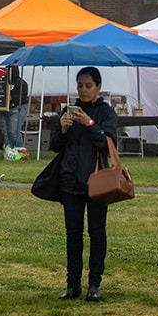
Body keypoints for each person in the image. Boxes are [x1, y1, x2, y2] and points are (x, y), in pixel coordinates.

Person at [51, 66, 121, 302]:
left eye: (88, 85)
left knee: (97, 232)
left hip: (97, 181)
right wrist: (62, 129)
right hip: (70, 179)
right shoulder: (68, 111)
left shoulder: (105, 112)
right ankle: (72, 285)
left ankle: (94, 284)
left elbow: (108, 143)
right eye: (80, 85)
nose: (83, 90)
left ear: (98, 87)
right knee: (73, 234)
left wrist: (90, 124)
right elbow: (54, 145)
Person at [3, 68, 30, 155]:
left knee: (13, 131)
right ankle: (9, 152)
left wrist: (10, 97)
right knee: (7, 132)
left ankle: (20, 151)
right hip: (5, 109)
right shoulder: (3, 82)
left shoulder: (22, 83)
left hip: (17, 109)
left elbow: (22, 98)